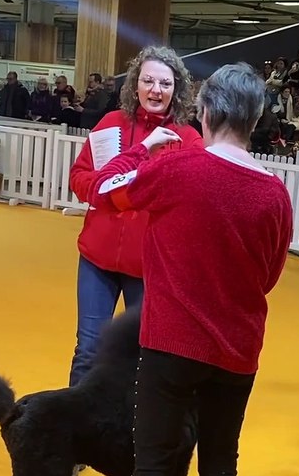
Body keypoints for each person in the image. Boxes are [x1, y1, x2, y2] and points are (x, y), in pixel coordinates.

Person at [83, 62, 293, 476]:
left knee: (153, 469)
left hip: (171, 343)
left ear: (206, 112)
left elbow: (105, 193)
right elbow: (270, 274)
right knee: (220, 466)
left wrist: (143, 148)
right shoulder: (275, 194)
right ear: (254, 119)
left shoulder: (178, 167)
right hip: (237, 350)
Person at [66, 46, 203, 386]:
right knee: (89, 349)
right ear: (135, 85)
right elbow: (82, 183)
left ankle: (129, 434)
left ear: (177, 90)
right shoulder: (110, 124)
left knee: (140, 357)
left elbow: (192, 202)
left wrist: (115, 194)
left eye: (165, 83)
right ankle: (74, 433)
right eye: (148, 81)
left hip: (149, 268)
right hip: (97, 260)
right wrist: (139, 154)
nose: (156, 90)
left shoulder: (188, 140)